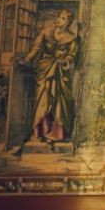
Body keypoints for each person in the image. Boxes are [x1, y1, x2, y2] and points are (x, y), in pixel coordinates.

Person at [20, 8, 81, 146]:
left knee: (59, 102)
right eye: (59, 17)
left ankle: (56, 134)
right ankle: (41, 132)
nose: (59, 20)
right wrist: (27, 59)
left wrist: (64, 60)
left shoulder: (72, 38)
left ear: (69, 22)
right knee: (43, 100)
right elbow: (36, 48)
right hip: (45, 70)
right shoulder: (47, 32)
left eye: (63, 18)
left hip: (60, 73)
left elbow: (72, 56)